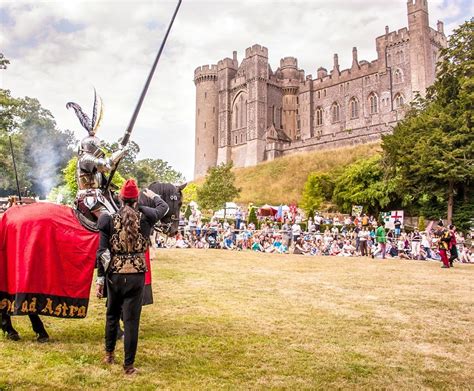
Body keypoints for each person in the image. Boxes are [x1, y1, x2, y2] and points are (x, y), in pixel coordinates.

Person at [95, 179, 169, 374]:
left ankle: (109, 354)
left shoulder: (107, 219)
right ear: (136, 199)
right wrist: (151, 197)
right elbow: (164, 207)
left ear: (120, 198)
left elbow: (102, 253)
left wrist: (100, 280)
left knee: (111, 315)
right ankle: (128, 366)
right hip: (136, 276)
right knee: (131, 321)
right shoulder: (146, 217)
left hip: (115, 276)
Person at [67, 96, 128, 222]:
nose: (99, 149)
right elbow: (106, 166)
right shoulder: (85, 159)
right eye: (97, 146)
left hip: (98, 195)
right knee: (112, 224)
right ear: (92, 146)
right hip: (89, 199)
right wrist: (119, 152)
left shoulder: (89, 158)